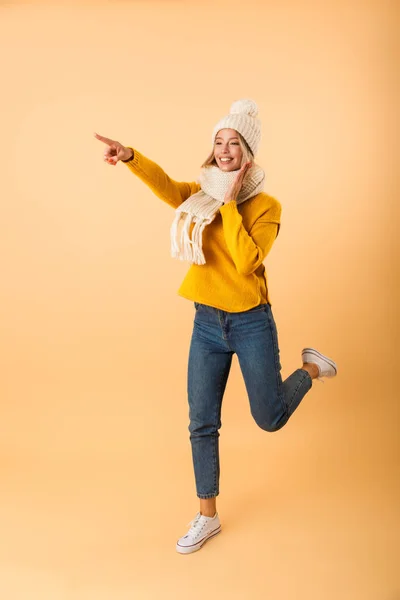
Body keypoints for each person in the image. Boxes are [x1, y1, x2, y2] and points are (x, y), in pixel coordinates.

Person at [94, 98, 338, 555]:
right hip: (206, 322)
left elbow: (247, 262)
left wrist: (229, 204)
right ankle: (207, 517)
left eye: (234, 143)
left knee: (269, 418)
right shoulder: (200, 192)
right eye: (219, 141)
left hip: (250, 323)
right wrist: (130, 156)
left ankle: (311, 369)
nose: (224, 149)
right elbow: (166, 186)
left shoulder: (267, 206)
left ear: (248, 153)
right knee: (201, 422)